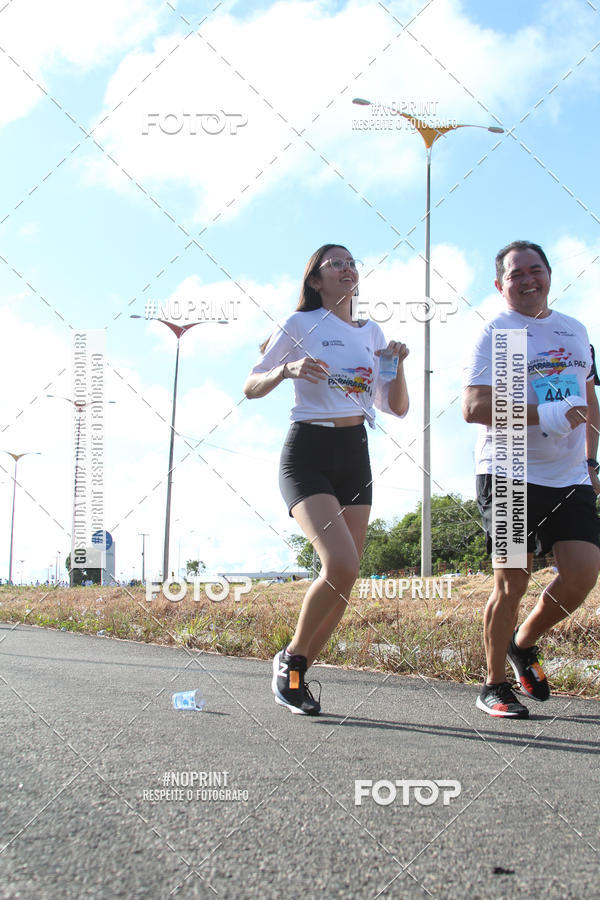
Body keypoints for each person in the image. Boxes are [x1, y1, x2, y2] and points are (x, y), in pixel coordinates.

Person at [243, 244, 409, 714]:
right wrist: (287, 369)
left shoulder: (372, 332)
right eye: (335, 263)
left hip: (355, 454)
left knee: (345, 578)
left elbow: (394, 406)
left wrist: (397, 364)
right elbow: (250, 385)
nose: (347, 267)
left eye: (351, 261)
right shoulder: (300, 326)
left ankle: (295, 671)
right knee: (342, 564)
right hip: (308, 452)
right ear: (315, 280)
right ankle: (291, 658)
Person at [463, 240, 600, 718]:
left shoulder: (576, 331)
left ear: (549, 274)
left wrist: (591, 462)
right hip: (508, 471)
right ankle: (494, 683)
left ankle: (524, 643)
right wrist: (545, 414)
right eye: (515, 274)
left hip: (568, 475)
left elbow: (588, 397)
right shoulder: (497, 333)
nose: (527, 280)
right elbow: (474, 408)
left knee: (583, 573)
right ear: (500, 285)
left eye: (535, 270)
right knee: (512, 582)